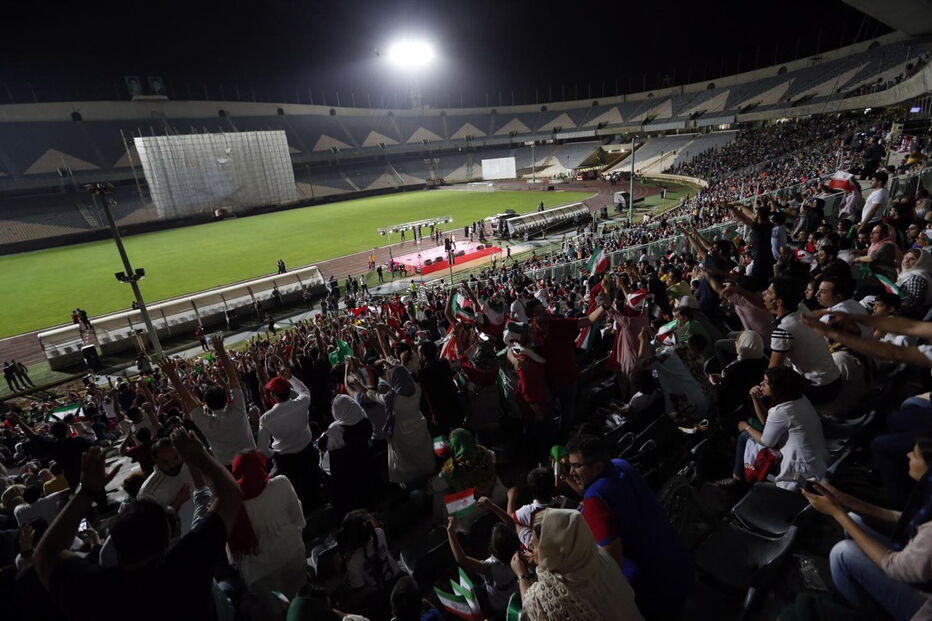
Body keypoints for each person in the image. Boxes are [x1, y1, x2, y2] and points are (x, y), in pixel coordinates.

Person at [35, 429, 243, 621]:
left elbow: (46, 552)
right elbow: (230, 494)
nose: (173, 464)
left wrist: (86, 492)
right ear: (167, 539)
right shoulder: (185, 565)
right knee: (227, 586)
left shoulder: (94, 592)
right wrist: (199, 456)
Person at [803, 438, 932, 620]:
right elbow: (898, 519)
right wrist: (841, 498)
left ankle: (861, 615)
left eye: (916, 455)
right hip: (919, 571)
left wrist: (837, 513)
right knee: (857, 520)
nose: (908, 455)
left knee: (842, 552)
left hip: (925, 605)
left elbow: (895, 566)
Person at [565, 435, 693, 617]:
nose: (571, 472)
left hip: (652, 591)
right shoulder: (621, 464)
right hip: (678, 564)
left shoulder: (594, 500)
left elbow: (612, 563)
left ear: (597, 467)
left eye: (576, 466)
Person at [513, 508, 643, 621]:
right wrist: (542, 559)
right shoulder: (597, 555)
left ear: (551, 550)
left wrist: (522, 576)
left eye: (535, 545)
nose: (530, 547)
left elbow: (530, 613)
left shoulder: (550, 593)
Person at [159, 335, 256, 468]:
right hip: (254, 460)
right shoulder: (238, 410)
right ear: (226, 398)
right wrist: (220, 350)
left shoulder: (206, 423)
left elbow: (187, 398)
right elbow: (233, 378)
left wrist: (171, 373)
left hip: (229, 469)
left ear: (207, 405)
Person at [228, 450, 307, 608]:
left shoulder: (232, 506)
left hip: (260, 575)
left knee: (277, 611)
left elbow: (233, 558)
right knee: (302, 605)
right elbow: (299, 521)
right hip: (293, 555)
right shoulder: (281, 483)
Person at [730, 367, 829, 489]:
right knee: (746, 435)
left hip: (802, 468)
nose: (761, 384)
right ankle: (738, 479)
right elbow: (768, 421)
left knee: (744, 436)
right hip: (819, 458)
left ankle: (737, 482)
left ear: (777, 387)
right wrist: (755, 398)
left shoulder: (781, 410)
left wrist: (746, 427)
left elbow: (767, 442)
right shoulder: (799, 398)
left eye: (766, 382)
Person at [764, 277, 842, 404]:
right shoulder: (801, 309)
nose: (764, 294)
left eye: (768, 292)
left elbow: (772, 370)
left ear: (778, 302)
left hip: (819, 388)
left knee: (770, 391)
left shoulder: (784, 329)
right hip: (834, 379)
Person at [256, 370, 320, 512]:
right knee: (313, 485)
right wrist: (291, 378)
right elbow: (304, 390)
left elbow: (262, 448)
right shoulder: (302, 403)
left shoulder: (266, 419)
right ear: (289, 391)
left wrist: (274, 454)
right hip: (307, 451)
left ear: (273, 395)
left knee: (294, 493)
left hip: (285, 460)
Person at [366, 365, 435, 486]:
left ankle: (414, 484)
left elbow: (375, 396)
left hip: (402, 432)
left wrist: (364, 389)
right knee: (423, 453)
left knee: (407, 461)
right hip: (419, 425)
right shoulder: (417, 389)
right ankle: (429, 477)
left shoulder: (392, 398)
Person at [446, 516, 520, 617]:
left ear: (491, 548)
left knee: (475, 590)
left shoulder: (490, 567)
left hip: (497, 606)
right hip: (516, 598)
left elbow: (461, 559)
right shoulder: (521, 557)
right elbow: (511, 523)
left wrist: (450, 532)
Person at [318, 394, 374, 513]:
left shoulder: (335, 429)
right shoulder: (364, 420)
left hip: (345, 477)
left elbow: (321, 445)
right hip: (365, 468)